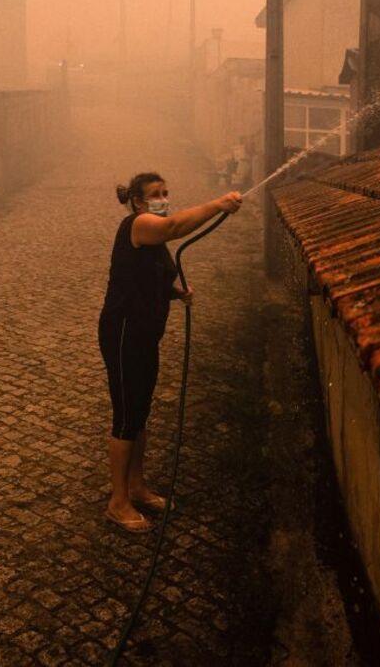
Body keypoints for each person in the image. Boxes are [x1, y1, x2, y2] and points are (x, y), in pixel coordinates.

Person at [99, 172, 242, 532]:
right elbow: (174, 227)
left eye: (166, 192)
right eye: (155, 195)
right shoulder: (138, 225)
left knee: (140, 411)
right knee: (126, 416)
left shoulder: (153, 235)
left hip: (146, 333)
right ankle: (117, 502)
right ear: (137, 202)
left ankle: (136, 486)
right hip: (124, 332)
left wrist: (177, 292)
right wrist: (217, 204)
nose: (163, 198)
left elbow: (152, 276)